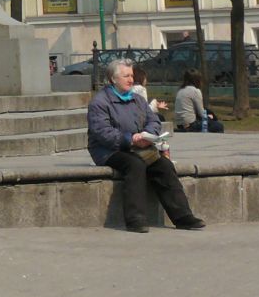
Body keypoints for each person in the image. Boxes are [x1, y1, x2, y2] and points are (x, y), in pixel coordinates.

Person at [87, 58, 206, 233]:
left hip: (139, 146)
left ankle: (182, 217)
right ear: (113, 79)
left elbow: (153, 120)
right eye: (126, 76)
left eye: (132, 76)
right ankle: (136, 219)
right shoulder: (100, 102)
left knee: (164, 165)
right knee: (135, 164)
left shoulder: (137, 99)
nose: (130, 80)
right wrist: (130, 139)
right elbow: (103, 133)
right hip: (109, 150)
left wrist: (147, 135)